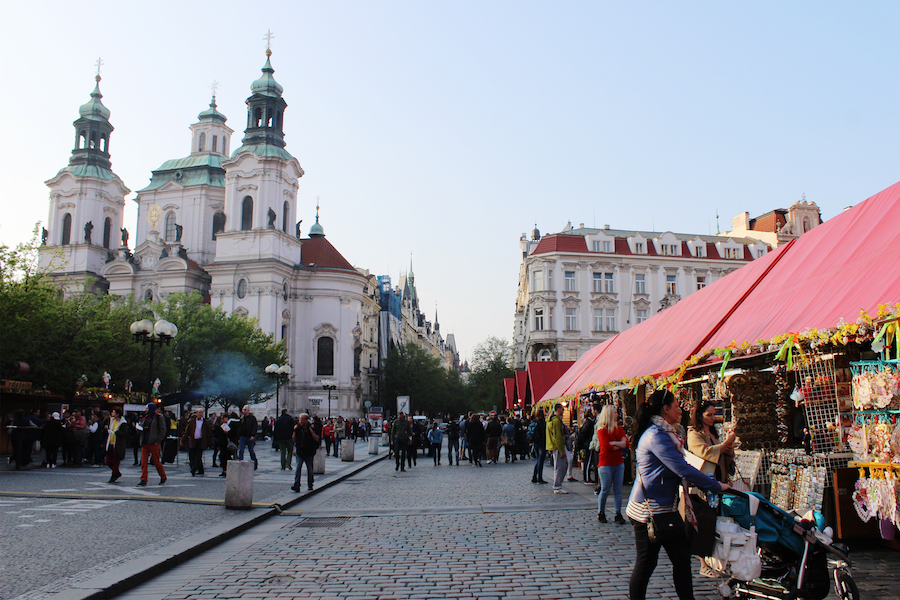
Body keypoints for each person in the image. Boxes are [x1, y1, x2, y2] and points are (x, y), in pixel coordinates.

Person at [626, 389, 729, 600]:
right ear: (665, 409)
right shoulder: (656, 436)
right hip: (649, 510)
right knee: (646, 563)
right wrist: (715, 485)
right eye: (676, 406)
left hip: (667, 508)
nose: (680, 409)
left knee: (681, 560)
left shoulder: (666, 433)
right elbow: (682, 468)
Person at [687, 400, 736, 578]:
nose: (713, 418)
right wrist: (725, 444)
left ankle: (718, 559)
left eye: (714, 414)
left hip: (719, 482)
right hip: (704, 485)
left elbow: (721, 454)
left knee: (717, 522)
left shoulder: (713, 434)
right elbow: (705, 452)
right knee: (705, 522)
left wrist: (729, 452)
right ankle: (703, 562)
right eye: (709, 415)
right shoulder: (693, 434)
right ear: (700, 415)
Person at [595, 405, 628, 524]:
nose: (617, 414)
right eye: (614, 412)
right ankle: (601, 512)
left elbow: (626, 443)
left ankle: (618, 513)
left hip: (618, 462)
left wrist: (615, 443)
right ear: (608, 414)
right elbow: (606, 447)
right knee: (605, 489)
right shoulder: (602, 430)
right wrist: (620, 443)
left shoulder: (619, 429)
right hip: (606, 463)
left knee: (618, 489)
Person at [137, 404, 168, 486]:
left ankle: (163, 476)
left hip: (153, 443)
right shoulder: (146, 417)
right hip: (145, 442)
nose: (145, 410)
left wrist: (158, 441)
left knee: (156, 462)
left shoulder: (158, 417)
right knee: (143, 462)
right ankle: (143, 479)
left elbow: (163, 430)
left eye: (147, 408)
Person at [291, 413, 320, 492]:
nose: (300, 421)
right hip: (300, 451)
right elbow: (293, 439)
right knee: (298, 468)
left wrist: (311, 431)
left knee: (310, 469)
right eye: (299, 420)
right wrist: (294, 430)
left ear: (306, 420)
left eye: (302, 420)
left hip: (309, 451)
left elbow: (317, 439)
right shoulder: (297, 428)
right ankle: (297, 484)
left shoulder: (312, 427)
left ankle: (310, 483)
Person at [181, 409, 212, 476]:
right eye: (199, 412)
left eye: (201, 412)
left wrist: (211, 443)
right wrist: (183, 439)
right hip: (193, 440)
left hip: (201, 441)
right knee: (193, 456)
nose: (201, 414)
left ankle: (194, 469)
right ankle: (201, 470)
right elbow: (187, 432)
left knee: (198, 456)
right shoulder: (192, 421)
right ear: (196, 413)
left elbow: (208, 433)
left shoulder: (205, 422)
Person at [546, 404, 568, 493]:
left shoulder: (550, 420)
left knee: (558, 465)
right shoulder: (556, 421)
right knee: (560, 466)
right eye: (562, 409)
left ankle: (557, 485)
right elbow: (558, 436)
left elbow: (550, 435)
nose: (563, 411)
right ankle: (557, 486)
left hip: (553, 445)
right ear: (558, 409)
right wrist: (562, 449)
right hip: (557, 446)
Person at [105, 407, 128, 483]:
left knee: (115, 461)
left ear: (118, 414)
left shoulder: (123, 423)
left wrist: (116, 432)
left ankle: (114, 474)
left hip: (117, 444)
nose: (112, 414)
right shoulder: (111, 420)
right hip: (110, 442)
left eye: (114, 412)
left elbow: (124, 433)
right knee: (108, 460)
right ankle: (116, 472)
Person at [237, 405, 258, 469]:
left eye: (245, 410)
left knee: (251, 450)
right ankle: (240, 462)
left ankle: (255, 462)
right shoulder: (242, 419)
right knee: (241, 450)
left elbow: (255, 427)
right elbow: (239, 428)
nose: (244, 411)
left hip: (250, 437)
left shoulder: (252, 418)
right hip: (243, 437)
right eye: (243, 409)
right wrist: (238, 437)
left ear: (248, 410)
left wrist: (253, 435)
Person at [531, 411, 547, 483]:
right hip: (541, 442)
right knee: (540, 460)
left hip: (535, 442)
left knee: (538, 459)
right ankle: (539, 477)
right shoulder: (542, 423)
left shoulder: (534, 421)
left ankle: (534, 476)